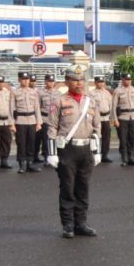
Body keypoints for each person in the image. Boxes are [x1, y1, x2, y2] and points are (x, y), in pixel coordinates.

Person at [47, 69, 101, 239]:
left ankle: (81, 223)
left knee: (83, 188)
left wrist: (97, 151)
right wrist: (52, 153)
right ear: (67, 82)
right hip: (67, 150)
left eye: (82, 80)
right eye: (75, 80)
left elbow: (97, 127)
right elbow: (52, 127)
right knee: (68, 188)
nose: (79, 83)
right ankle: (68, 224)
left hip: (85, 149)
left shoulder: (90, 101)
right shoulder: (59, 101)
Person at [113, 73, 134, 166]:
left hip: (133, 116)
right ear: (122, 80)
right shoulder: (117, 91)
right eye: (126, 79)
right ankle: (124, 158)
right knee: (123, 139)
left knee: (132, 138)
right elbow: (114, 106)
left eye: (129, 79)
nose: (128, 81)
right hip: (122, 117)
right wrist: (115, 119)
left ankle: (131, 157)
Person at [89, 76, 114, 163]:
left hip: (106, 118)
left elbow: (110, 105)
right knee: (96, 137)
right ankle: (96, 154)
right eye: (99, 82)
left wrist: (111, 117)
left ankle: (105, 155)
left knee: (106, 137)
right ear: (95, 83)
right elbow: (90, 107)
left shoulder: (107, 93)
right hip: (97, 118)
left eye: (102, 82)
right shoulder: (91, 93)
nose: (101, 83)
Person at [37, 74, 60, 165]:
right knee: (46, 138)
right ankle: (46, 156)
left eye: (52, 81)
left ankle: (54, 155)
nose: (51, 83)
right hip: (45, 117)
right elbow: (38, 106)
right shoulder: (40, 92)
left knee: (55, 137)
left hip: (55, 118)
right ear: (45, 82)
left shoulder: (57, 93)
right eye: (49, 81)